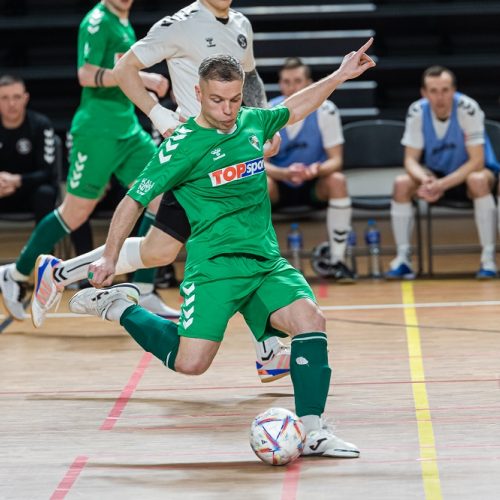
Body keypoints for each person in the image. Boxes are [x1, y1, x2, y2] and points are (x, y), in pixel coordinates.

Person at [69, 42, 376, 457]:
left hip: (265, 262)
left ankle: (314, 430)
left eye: (233, 99)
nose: (227, 109)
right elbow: (133, 200)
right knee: (191, 362)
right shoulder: (182, 145)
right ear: (198, 93)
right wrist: (109, 256)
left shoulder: (251, 123)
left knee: (310, 319)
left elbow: (296, 107)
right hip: (214, 268)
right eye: (217, 99)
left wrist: (339, 75)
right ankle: (118, 306)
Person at [31, 0, 288, 384]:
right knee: (231, 245)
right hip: (195, 158)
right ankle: (268, 348)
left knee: (161, 250)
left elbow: (248, 78)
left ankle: (61, 272)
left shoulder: (240, 23)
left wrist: (264, 122)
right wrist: (159, 115)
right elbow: (123, 69)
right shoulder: (179, 24)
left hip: (229, 151)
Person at [0, 0, 179, 323]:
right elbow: (85, 74)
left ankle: (145, 289)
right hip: (97, 132)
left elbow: (121, 75)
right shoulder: (96, 21)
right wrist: (145, 79)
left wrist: (146, 90)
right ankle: (16, 273)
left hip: (127, 129)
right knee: (75, 211)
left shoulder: (121, 21)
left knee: (161, 200)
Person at [386, 65, 500, 280]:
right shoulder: (417, 111)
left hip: (468, 174)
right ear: (424, 93)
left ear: (454, 91)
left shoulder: (468, 108)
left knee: (478, 180)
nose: (440, 97)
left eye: (445, 90)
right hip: (436, 176)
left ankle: (488, 258)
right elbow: (410, 159)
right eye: (434, 91)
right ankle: (403, 258)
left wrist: (441, 185)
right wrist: (425, 180)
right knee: (402, 184)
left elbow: (477, 161)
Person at [265, 57, 355, 283]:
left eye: (297, 81)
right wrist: (284, 173)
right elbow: (257, 162)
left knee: (337, 180)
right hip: (280, 183)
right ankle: (262, 264)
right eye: (286, 81)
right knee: (258, 182)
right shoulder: (268, 110)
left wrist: (315, 170)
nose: (292, 87)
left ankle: (337, 260)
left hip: (313, 182)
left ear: (310, 83)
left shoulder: (326, 110)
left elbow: (336, 160)